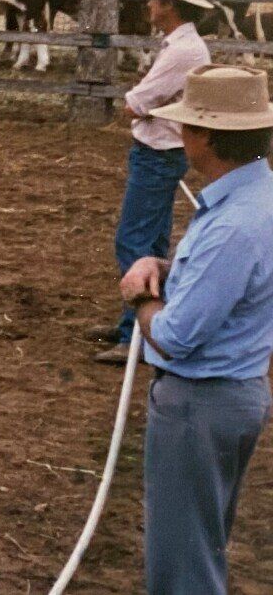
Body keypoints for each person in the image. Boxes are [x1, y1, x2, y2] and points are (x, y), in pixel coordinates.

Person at [118, 65, 273, 595]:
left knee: (183, 568)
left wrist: (144, 297)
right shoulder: (258, 198)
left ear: (206, 136)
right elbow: (234, 284)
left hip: (199, 405)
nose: (181, 138)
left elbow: (176, 336)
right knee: (202, 546)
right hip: (236, 394)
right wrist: (165, 268)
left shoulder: (232, 224)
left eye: (187, 127)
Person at [95, 0, 216, 365]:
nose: (148, 4)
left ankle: (136, 334)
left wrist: (138, 105)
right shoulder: (181, 46)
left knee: (134, 241)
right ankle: (136, 326)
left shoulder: (183, 51)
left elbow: (135, 103)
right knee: (150, 240)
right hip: (160, 149)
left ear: (169, 6)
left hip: (158, 153)